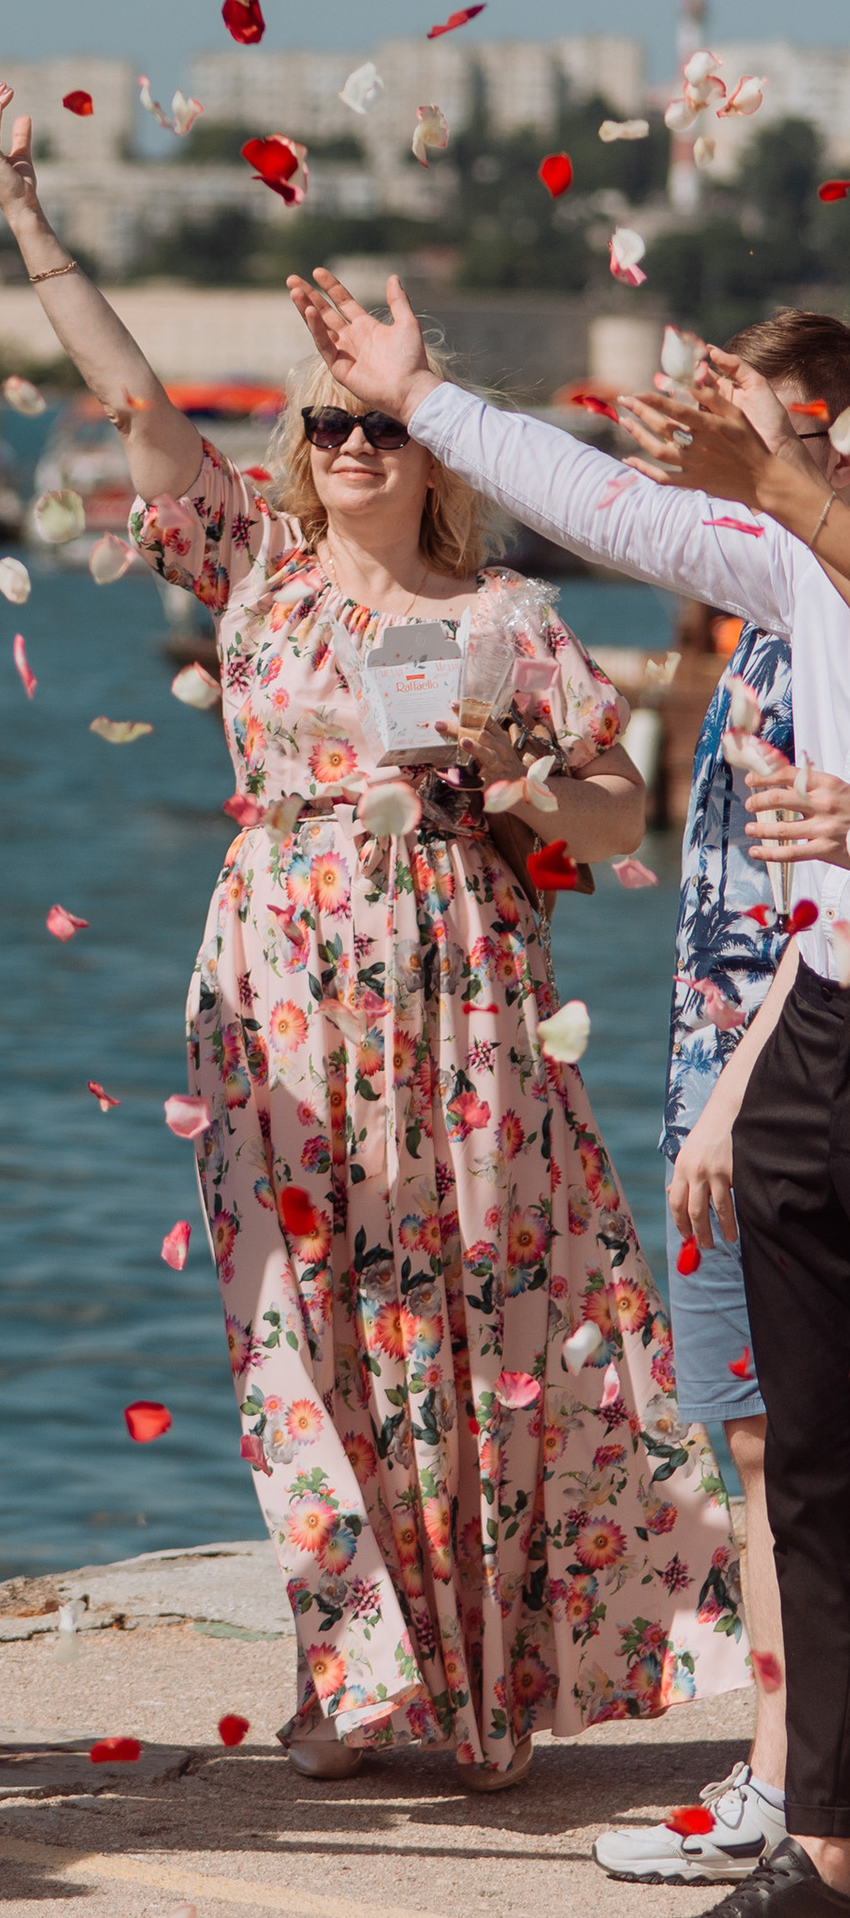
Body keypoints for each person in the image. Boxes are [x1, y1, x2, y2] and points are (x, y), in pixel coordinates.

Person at [0, 87, 748, 1783]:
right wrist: (21, 211)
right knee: (296, 1329)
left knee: (471, 1320)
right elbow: (132, 401)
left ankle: (479, 1684)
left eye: (375, 429)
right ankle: (353, 1669)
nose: (353, 451)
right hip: (280, 985)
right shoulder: (256, 578)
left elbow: (621, 824)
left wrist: (525, 783)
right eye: (327, 431)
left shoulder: (515, 619)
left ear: (427, 444)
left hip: (461, 995)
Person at [290, 270, 850, 1918]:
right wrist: (422, 395)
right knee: (809, 1463)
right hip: (821, 1029)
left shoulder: (813, 532)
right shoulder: (783, 568)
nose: (726, 419)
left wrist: (794, 483)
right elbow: (600, 501)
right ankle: (822, 1841)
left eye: (774, 411)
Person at [590, 312, 850, 1886]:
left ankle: (783, 1775)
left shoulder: (809, 601)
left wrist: (740, 1088)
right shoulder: (746, 614)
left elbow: (802, 909)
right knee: (759, 1437)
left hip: (785, 1055)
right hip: (726, 1059)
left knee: (783, 1445)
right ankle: (788, 1772)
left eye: (748, 402)